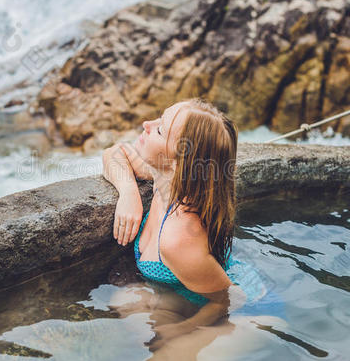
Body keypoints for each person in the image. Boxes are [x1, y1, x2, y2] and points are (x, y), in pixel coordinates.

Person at [102, 98, 287, 359]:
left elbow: (230, 300)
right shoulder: (164, 177)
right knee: (125, 300)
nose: (146, 124)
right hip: (193, 294)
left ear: (179, 162)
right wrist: (128, 192)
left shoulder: (178, 238)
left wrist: (184, 331)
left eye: (159, 129)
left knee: (168, 355)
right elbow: (114, 152)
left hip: (253, 312)